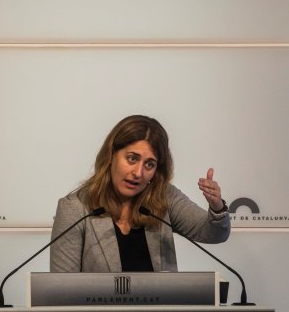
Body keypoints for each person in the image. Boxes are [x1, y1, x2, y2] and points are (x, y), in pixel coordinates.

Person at [50, 115, 230, 272]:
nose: (138, 173)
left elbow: (214, 234)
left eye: (149, 164)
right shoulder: (75, 208)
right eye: (132, 158)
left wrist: (217, 206)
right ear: (111, 155)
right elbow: (62, 291)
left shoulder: (164, 197)